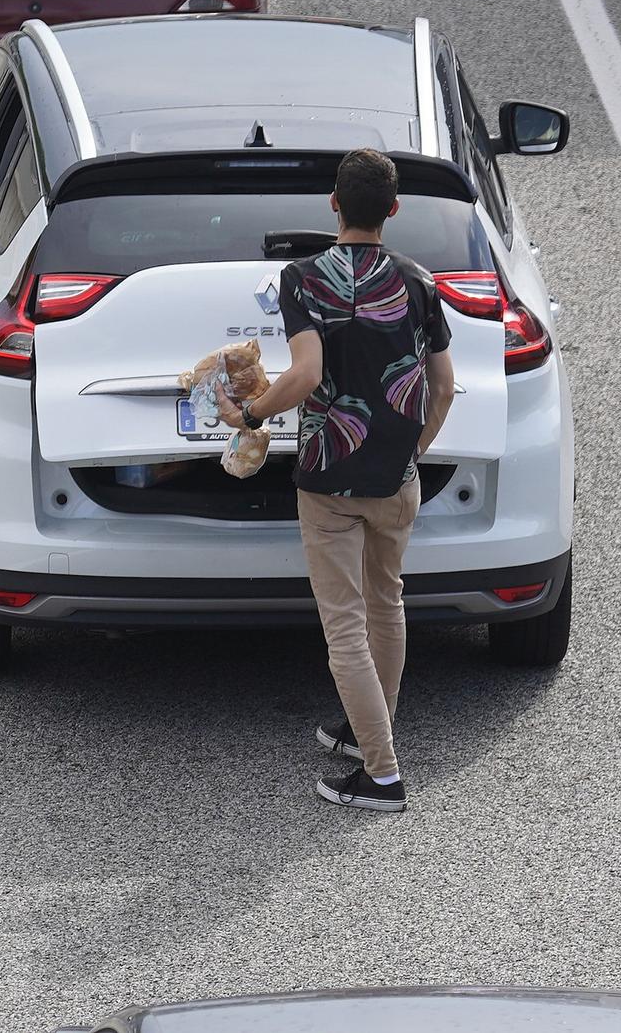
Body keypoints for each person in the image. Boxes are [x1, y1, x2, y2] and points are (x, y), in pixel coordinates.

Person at [217, 149, 457, 812]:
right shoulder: (417, 281)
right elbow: (444, 387)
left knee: (345, 626)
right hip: (396, 478)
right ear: (394, 209)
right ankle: (365, 730)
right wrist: (412, 448)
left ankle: (381, 776)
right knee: (387, 603)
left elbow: (306, 376)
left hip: (328, 478)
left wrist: (249, 412)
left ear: (333, 204)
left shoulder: (303, 278)